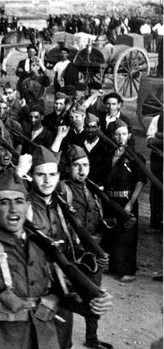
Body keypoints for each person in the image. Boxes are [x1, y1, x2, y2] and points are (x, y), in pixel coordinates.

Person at [0, 146, 113, 348]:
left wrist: (91, 304)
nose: (13, 209)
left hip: (39, 338)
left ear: (27, 205)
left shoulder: (41, 246)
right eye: (4, 203)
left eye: (19, 201)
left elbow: (60, 295)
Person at [58, 145, 112, 349]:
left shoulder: (92, 192)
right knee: (65, 299)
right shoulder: (62, 189)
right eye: (76, 166)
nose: (81, 170)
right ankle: (63, 342)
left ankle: (92, 338)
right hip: (69, 254)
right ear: (68, 168)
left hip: (90, 254)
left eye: (85, 165)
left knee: (95, 294)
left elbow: (97, 222)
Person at [101, 120, 146, 283]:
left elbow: (140, 181)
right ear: (113, 136)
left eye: (124, 134)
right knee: (112, 232)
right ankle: (114, 267)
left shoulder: (135, 157)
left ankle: (128, 270)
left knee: (127, 235)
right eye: (118, 134)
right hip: (111, 199)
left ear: (129, 136)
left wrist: (131, 203)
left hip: (127, 199)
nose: (121, 137)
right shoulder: (109, 155)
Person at [146, 115, 163, 234]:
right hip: (158, 159)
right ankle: (155, 224)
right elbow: (149, 141)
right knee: (156, 190)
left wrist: (160, 136)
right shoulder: (158, 118)